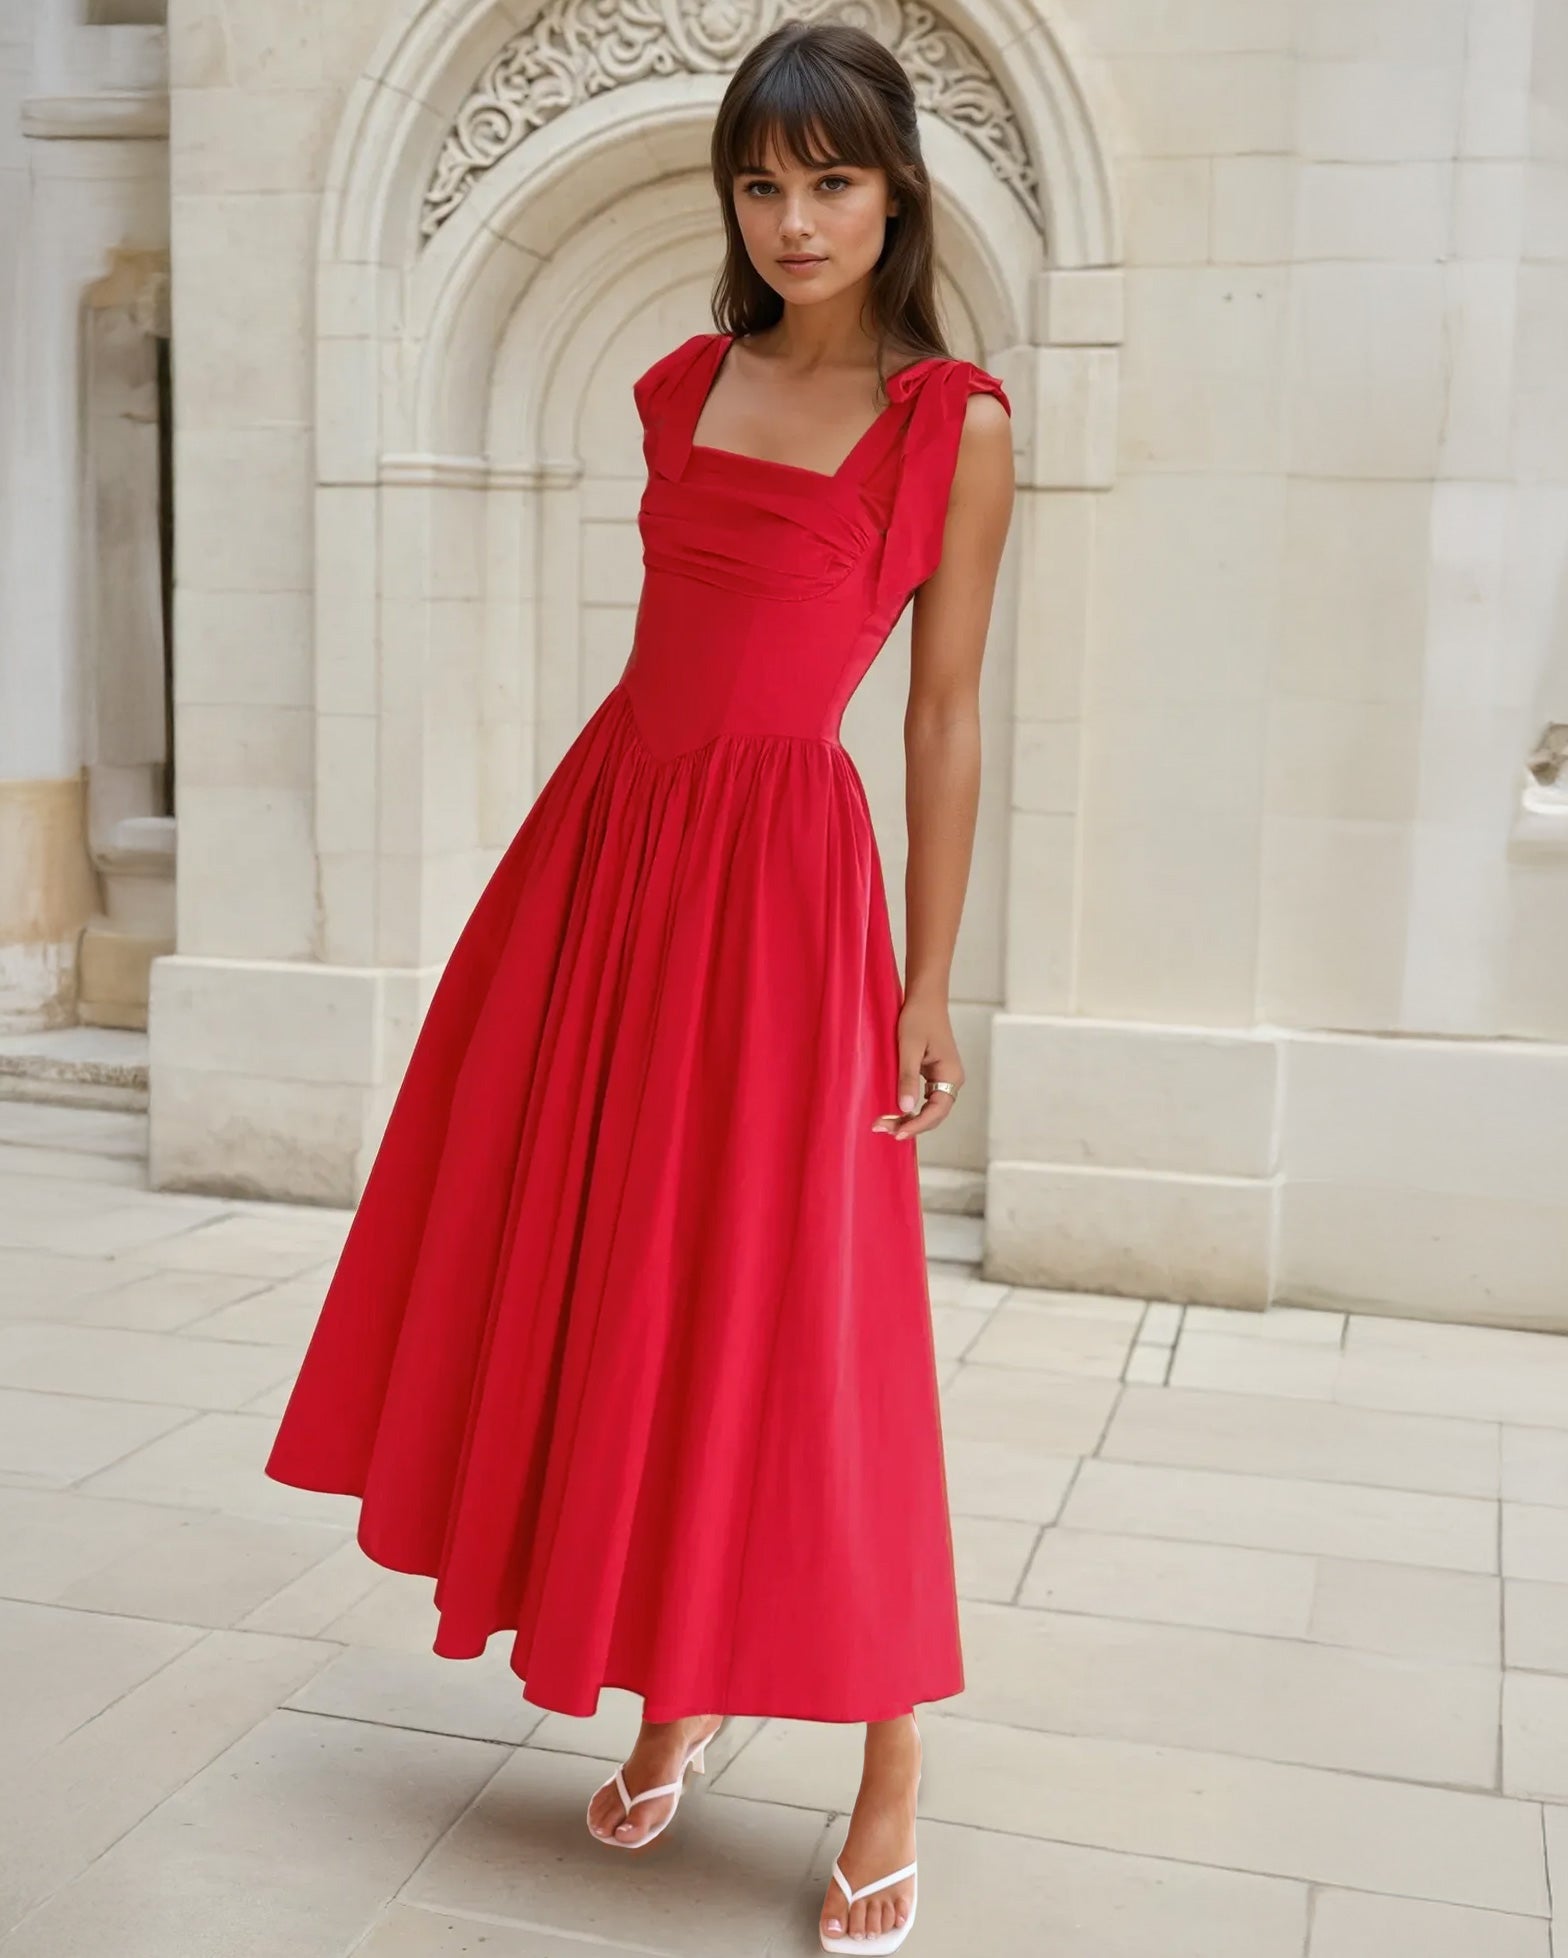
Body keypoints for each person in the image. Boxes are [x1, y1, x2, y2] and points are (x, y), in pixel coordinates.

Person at [264, 17, 1013, 1954]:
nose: (794, 219)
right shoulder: (680, 385)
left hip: (782, 891)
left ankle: (891, 1755)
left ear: (897, 192)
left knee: (803, 1308)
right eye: (761, 183)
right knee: (617, 1269)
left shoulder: (953, 423)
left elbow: (940, 716)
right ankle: (673, 1679)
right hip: (604, 859)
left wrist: (931, 980)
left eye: (831, 180)